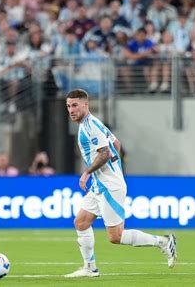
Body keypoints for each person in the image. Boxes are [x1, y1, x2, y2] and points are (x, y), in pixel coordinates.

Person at [64, 89, 177, 278]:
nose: (71, 110)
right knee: (81, 222)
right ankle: (90, 268)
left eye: (75, 105)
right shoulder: (95, 124)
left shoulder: (90, 126)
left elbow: (105, 153)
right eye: (68, 106)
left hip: (109, 186)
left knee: (115, 237)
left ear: (85, 104)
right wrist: (113, 170)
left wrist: (87, 172)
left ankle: (164, 242)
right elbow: (116, 144)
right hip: (100, 184)